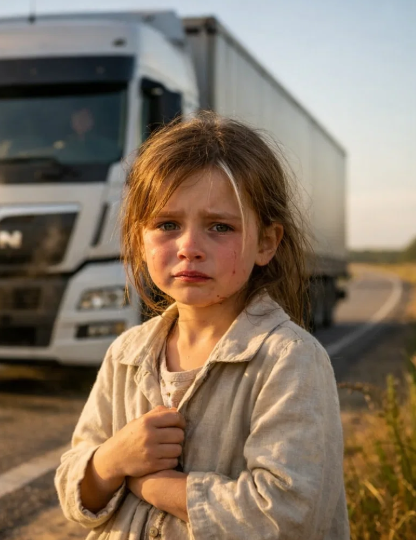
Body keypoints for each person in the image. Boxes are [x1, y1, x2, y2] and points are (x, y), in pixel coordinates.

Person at [55, 111, 349, 539]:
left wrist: (153, 485)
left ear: (267, 242)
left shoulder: (290, 360)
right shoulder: (127, 354)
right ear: (140, 237)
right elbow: (73, 493)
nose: (189, 247)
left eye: (220, 227)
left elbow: (286, 514)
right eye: (168, 224)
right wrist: (111, 461)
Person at [55, 106, 120, 163]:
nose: (81, 122)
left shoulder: (105, 145)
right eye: (77, 119)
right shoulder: (65, 146)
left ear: (92, 121)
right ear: (72, 123)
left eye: (84, 118)